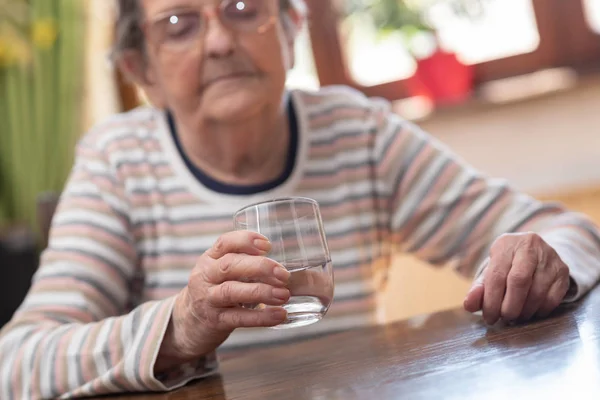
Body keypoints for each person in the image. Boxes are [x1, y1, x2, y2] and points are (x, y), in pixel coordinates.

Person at [1, 0, 599, 398]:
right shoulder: (117, 161)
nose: (218, 43)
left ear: (292, 27)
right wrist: (181, 328)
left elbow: (563, 233)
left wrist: (539, 260)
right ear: (143, 70)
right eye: (179, 24)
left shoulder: (356, 132)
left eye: (243, 8)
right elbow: (17, 362)